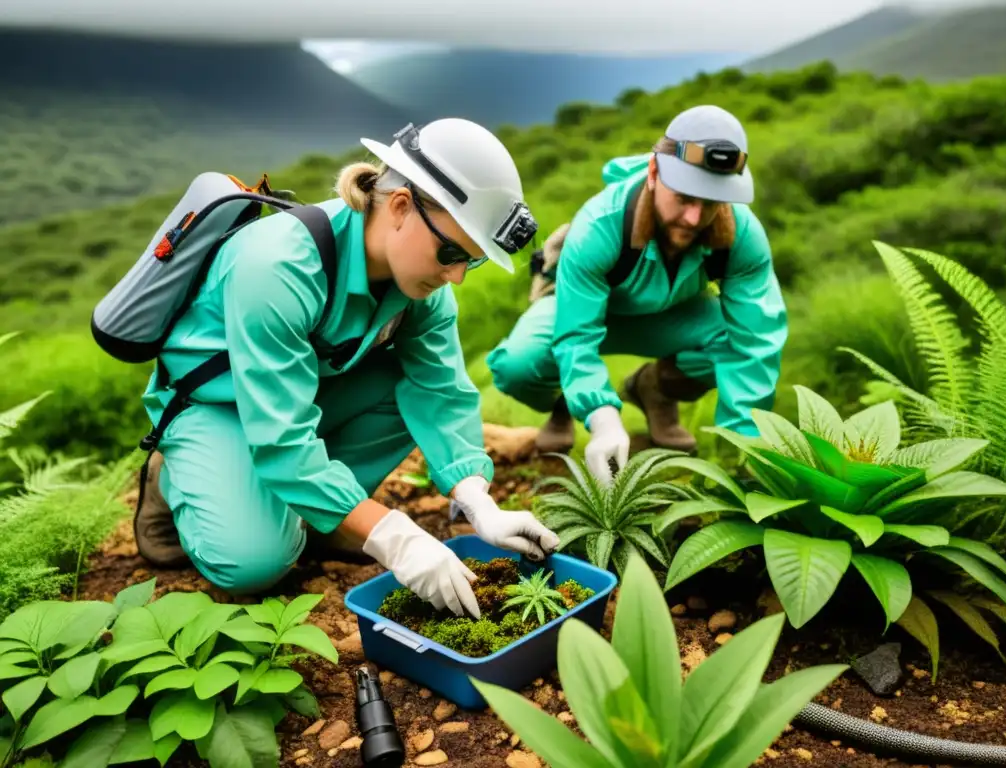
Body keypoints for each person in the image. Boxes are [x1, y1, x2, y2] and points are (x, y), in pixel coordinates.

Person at [132, 118, 559, 619]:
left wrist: (478, 501)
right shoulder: (277, 267)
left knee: (407, 387)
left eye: (472, 260)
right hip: (217, 405)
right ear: (400, 207)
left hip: (306, 393)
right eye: (450, 252)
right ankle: (175, 476)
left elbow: (440, 391)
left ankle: (321, 512)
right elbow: (283, 441)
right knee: (256, 562)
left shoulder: (422, 289)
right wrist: (393, 536)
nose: (458, 277)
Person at [486, 105, 788, 486]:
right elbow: (576, 337)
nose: (694, 218)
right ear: (653, 174)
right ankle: (564, 401)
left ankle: (655, 388)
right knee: (517, 365)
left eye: (710, 203)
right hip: (580, 311)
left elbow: (756, 343)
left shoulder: (742, 235)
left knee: (733, 342)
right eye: (684, 198)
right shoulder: (599, 225)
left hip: (673, 317)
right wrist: (603, 417)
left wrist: (746, 459)